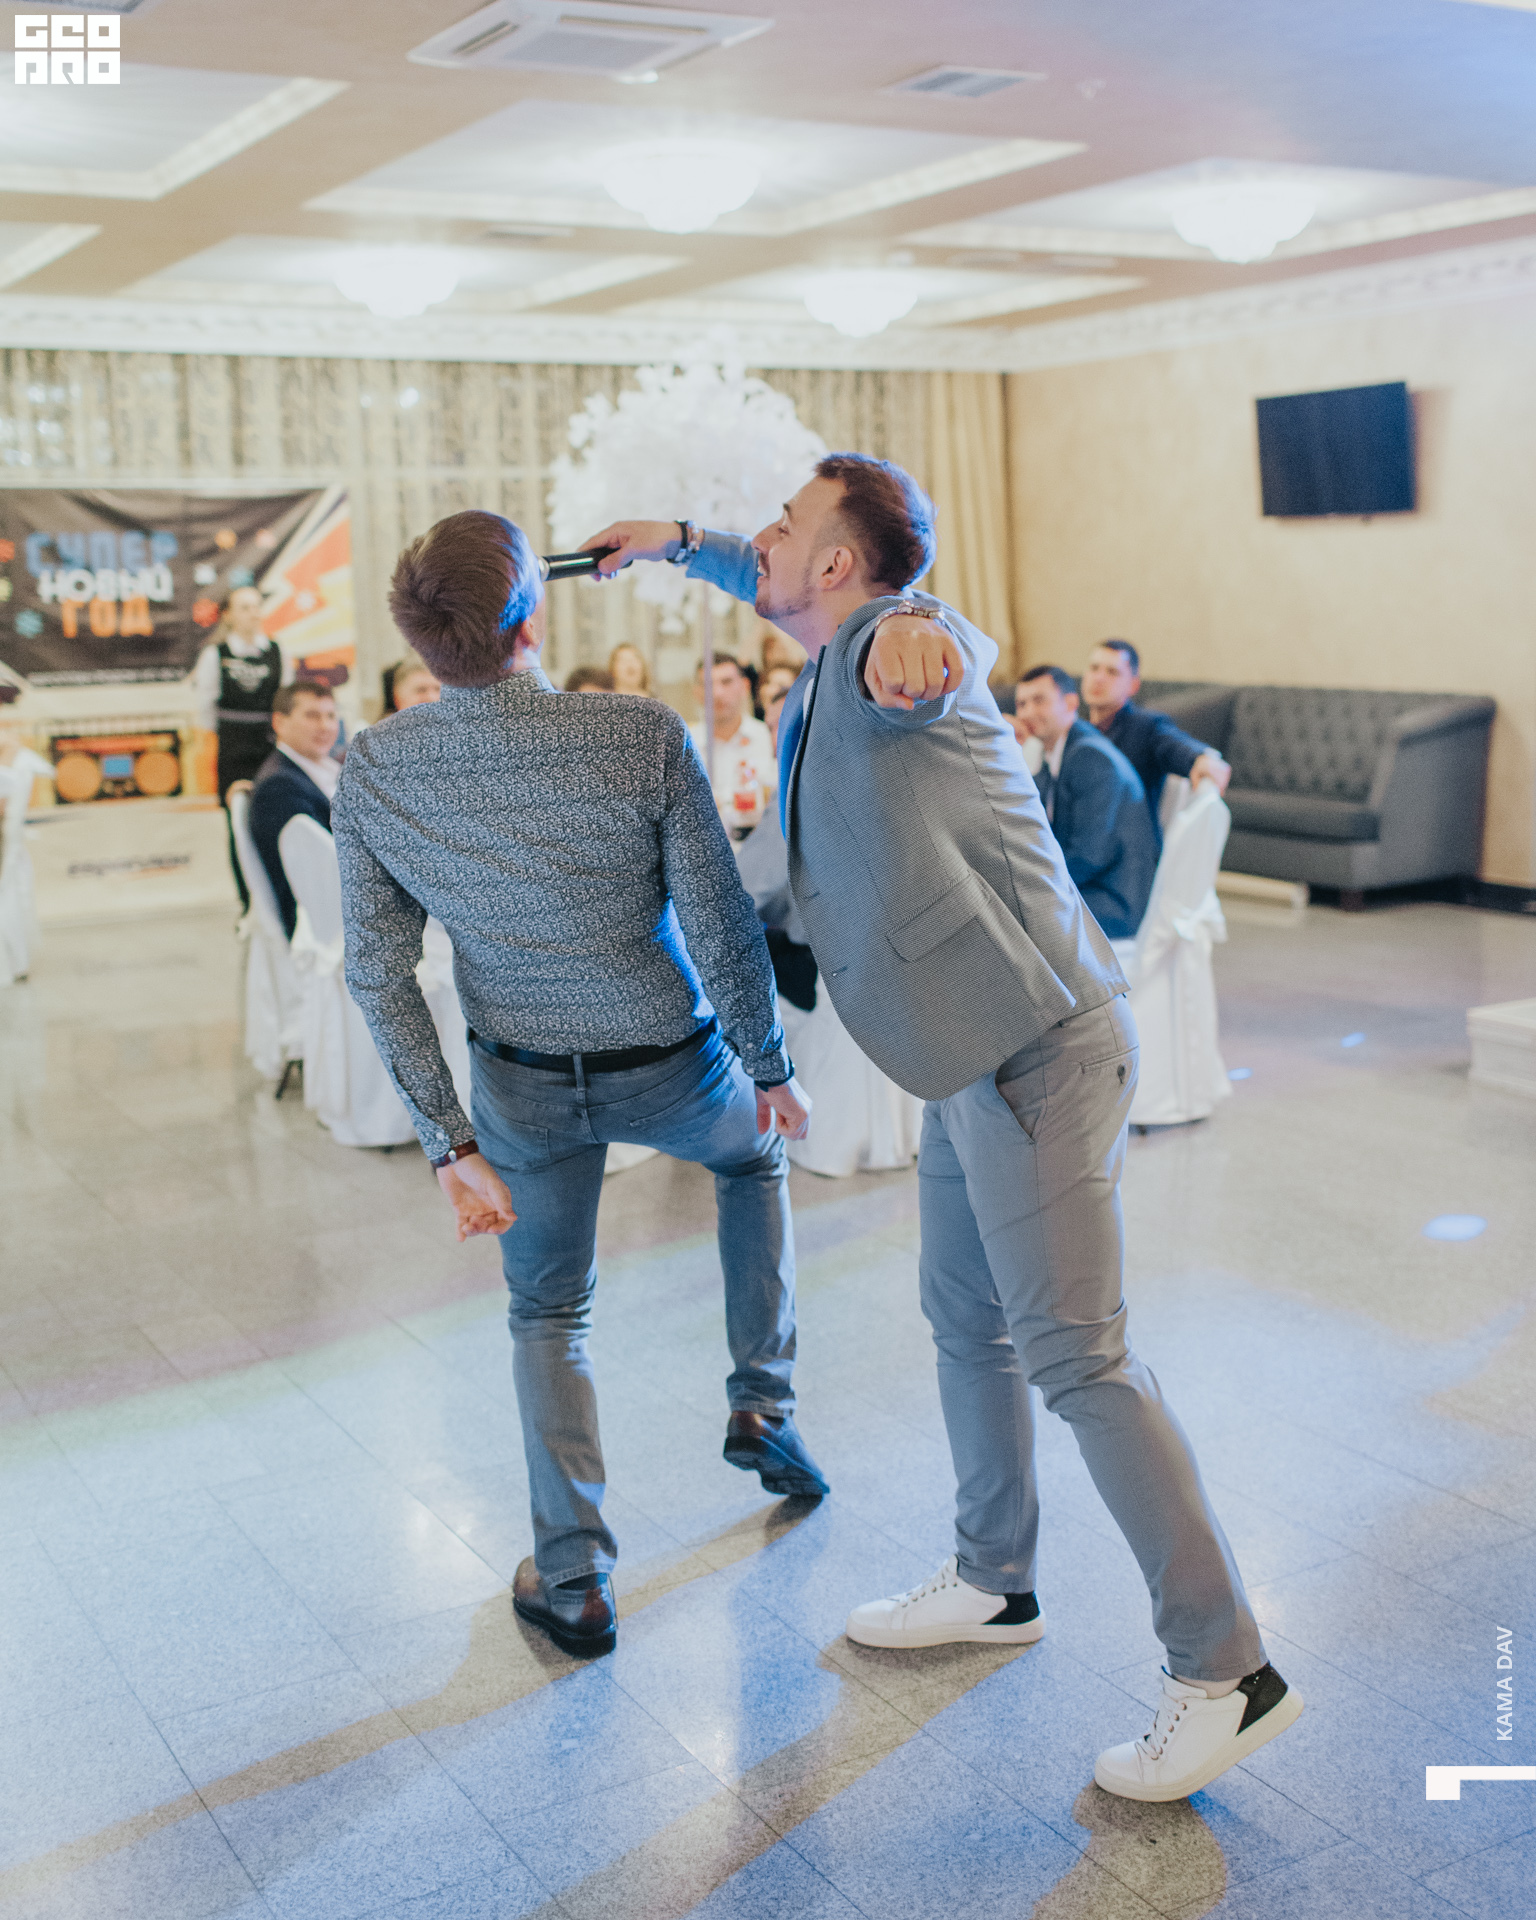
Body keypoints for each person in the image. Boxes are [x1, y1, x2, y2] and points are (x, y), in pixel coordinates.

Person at [584, 458, 1301, 1803]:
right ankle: (994, 1578)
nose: (760, 545)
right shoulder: (824, 645)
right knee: (964, 1320)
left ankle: (1226, 1670)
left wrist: (925, 622)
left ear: (841, 569)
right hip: (966, 1051)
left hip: (1037, 1048)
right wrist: (679, 541)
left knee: (1080, 1358)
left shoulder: (893, 651)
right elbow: (790, 587)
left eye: (783, 529)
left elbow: (929, 643)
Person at [331, 509, 826, 1663]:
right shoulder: (638, 732)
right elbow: (720, 921)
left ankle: (574, 1579)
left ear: (419, 642)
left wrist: (449, 1145)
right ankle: (762, 1396)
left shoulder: (377, 766)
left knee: (548, 1312)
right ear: (531, 621)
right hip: (675, 1063)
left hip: (521, 1089)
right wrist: (769, 1067)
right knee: (754, 1155)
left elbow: (377, 973)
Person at [1015, 665, 1158, 941]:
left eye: (1039, 700)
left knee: (1012, 916)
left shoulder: (1090, 756)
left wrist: (1029, 886)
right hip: (1090, 887)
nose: (1027, 713)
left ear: (1070, 703)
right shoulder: (1058, 752)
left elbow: (1091, 854)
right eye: (1021, 704)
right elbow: (1033, 823)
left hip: (1112, 900)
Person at [193, 585, 290, 911]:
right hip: (234, 753)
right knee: (239, 826)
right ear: (229, 615)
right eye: (245, 607)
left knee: (275, 820)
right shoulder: (215, 655)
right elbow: (206, 711)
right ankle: (248, 904)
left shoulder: (277, 651)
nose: (253, 613)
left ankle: (280, 899)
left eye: (257, 606)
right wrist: (232, 736)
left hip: (271, 750)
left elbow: (287, 702)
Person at [1082, 639, 1229, 831]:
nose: (1099, 678)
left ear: (1133, 685)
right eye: (1094, 668)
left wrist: (1200, 758)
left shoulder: (1146, 726)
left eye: (1112, 672)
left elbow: (1175, 745)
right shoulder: (1078, 728)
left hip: (1126, 841)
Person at [247, 681, 340, 939]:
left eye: (331, 716)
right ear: (280, 722)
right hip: (329, 927)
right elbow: (316, 876)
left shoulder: (320, 770)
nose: (325, 726)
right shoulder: (280, 787)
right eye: (312, 716)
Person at [690, 652, 776, 836]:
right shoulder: (685, 745)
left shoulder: (768, 736)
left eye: (726, 682)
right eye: (708, 684)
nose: (717, 693)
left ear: (745, 686)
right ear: (696, 692)